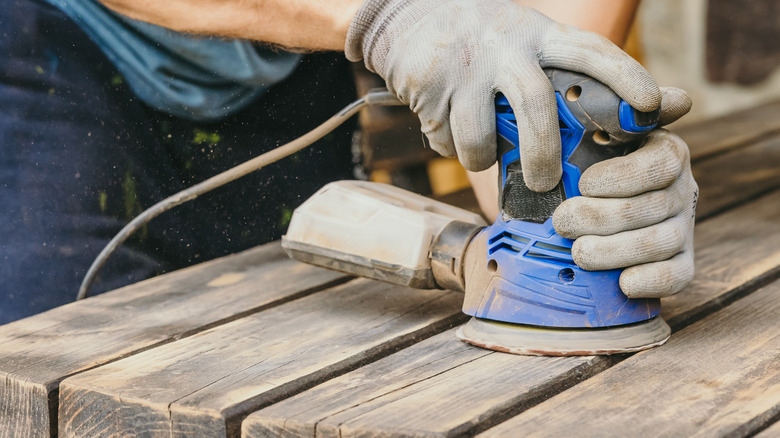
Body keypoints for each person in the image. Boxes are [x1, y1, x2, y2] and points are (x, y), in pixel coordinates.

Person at [0, 0, 697, 324]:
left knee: (270, 352)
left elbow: (531, 81)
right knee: (64, 361)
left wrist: (587, 188)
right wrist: (389, 17)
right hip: (62, 51)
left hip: (292, 52)